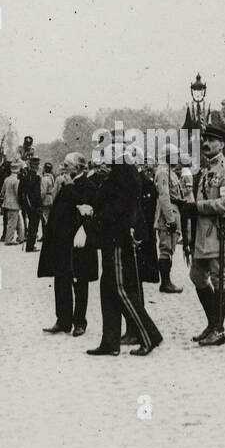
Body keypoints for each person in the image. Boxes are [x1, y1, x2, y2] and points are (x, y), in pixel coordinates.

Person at [86, 142, 163, 356]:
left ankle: (149, 336)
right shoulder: (121, 173)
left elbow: (117, 208)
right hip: (112, 239)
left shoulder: (122, 174)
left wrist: (94, 215)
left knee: (121, 290)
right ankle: (110, 342)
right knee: (108, 291)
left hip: (117, 239)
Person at [38, 151, 99, 336]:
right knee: (61, 280)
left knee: (80, 281)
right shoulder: (64, 183)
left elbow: (85, 208)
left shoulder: (88, 185)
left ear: (79, 167)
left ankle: (79, 322)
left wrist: (69, 186)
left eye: (68, 164)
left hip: (78, 242)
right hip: (62, 242)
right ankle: (62, 320)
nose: (64, 167)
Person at [189, 124, 225, 344]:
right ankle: (212, 322)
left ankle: (218, 330)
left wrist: (198, 207)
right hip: (202, 233)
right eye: (205, 139)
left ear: (222, 144)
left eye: (212, 140)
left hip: (218, 232)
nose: (206, 143)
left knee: (219, 279)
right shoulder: (205, 169)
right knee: (197, 276)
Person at [153, 147, 185, 294]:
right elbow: (164, 196)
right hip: (168, 214)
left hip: (174, 211)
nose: (178, 158)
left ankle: (167, 281)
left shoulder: (170, 173)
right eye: (175, 155)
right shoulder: (163, 173)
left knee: (170, 248)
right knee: (166, 249)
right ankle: (165, 283)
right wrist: (170, 219)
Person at [20, 157, 43, 251]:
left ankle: (29, 245)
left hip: (27, 204)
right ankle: (30, 246)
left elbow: (20, 191)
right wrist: (39, 206)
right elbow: (37, 193)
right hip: (34, 205)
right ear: (36, 166)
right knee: (34, 226)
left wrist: (22, 203)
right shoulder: (37, 178)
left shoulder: (24, 177)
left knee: (30, 225)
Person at [1, 165, 23, 245]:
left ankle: (21, 237)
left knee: (17, 221)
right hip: (14, 203)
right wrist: (21, 202)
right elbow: (18, 193)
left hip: (7, 203)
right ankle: (8, 239)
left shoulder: (6, 179)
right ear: (18, 170)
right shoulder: (17, 180)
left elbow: (2, 192)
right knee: (12, 222)